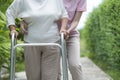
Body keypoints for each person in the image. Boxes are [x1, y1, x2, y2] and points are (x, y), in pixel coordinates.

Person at [6, 0, 68, 80]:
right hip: (30, 43)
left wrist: (63, 28)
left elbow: (64, 15)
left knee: (50, 76)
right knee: (33, 76)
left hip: (52, 42)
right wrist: (12, 29)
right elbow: (10, 12)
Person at [58, 0, 87, 80]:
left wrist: (68, 31)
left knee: (75, 65)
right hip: (54, 35)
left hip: (71, 34)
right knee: (54, 68)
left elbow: (76, 20)